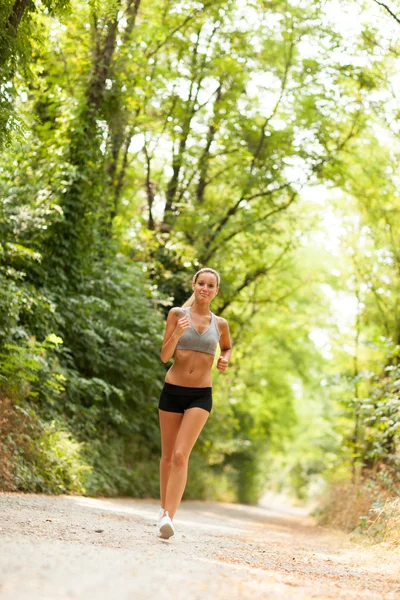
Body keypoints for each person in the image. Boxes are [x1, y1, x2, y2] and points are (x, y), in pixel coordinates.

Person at [157, 267, 232, 539]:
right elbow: (165, 355)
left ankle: (168, 517)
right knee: (167, 456)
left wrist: (225, 360)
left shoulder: (220, 323)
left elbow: (226, 347)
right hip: (172, 391)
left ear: (216, 291)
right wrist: (176, 333)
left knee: (180, 455)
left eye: (211, 286)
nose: (205, 288)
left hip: (201, 395)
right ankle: (163, 508)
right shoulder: (177, 314)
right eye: (201, 283)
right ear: (194, 284)